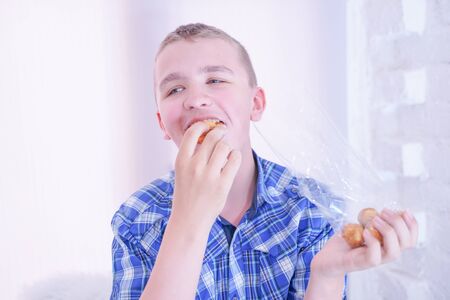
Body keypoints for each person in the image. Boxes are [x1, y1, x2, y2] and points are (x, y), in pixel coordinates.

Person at [110, 23, 418, 300]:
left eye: (215, 80)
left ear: (255, 104)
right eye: (176, 89)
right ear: (163, 123)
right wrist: (188, 220)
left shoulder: (308, 207)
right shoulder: (138, 218)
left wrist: (326, 277)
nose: (195, 99)